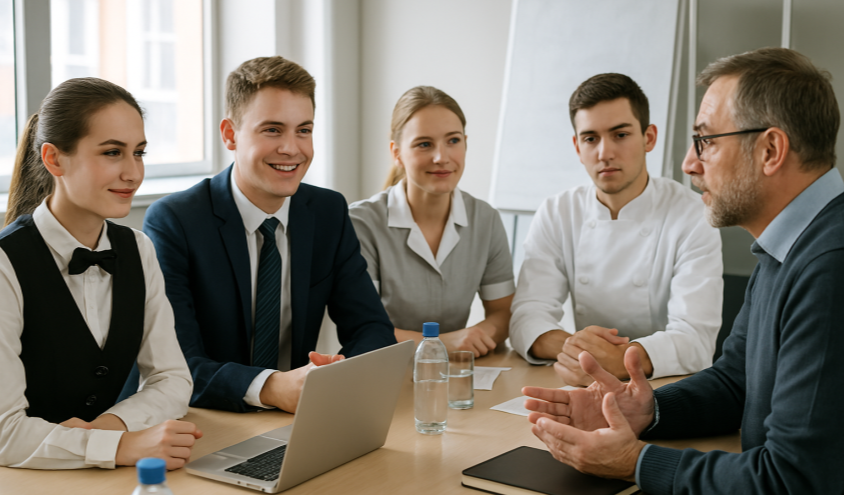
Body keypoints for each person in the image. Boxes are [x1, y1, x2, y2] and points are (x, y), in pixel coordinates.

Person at [523, 47, 843, 494]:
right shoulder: (786, 246)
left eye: (706, 141)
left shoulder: (829, 266)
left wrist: (635, 463)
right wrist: (645, 410)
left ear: (770, 150)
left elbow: (792, 481)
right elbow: (736, 382)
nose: (689, 164)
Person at [142, 56, 396, 414]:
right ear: (230, 134)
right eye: (273, 130)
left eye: (303, 130)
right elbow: (177, 365)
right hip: (207, 417)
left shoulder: (327, 212)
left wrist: (338, 376)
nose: (292, 148)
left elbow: (372, 328)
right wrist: (273, 386)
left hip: (296, 417)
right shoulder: (175, 221)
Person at [0, 78, 200, 470]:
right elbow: (5, 433)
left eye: (138, 153)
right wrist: (121, 447)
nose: (132, 173)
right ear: (54, 159)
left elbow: (174, 379)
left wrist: (110, 428)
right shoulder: (5, 263)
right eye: (112, 153)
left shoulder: (139, 249)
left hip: (102, 479)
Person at [509, 73, 723, 385]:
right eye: (590, 138)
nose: (604, 153)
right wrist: (580, 352)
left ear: (649, 137)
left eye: (620, 135)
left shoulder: (691, 215)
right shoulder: (557, 212)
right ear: (577, 147)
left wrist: (617, 360)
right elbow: (528, 316)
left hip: (666, 386)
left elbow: (695, 340)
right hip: (584, 380)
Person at [349, 86, 514, 357]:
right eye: (424, 144)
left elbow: (503, 312)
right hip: (381, 371)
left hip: (460, 372)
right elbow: (362, 327)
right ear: (397, 153)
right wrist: (443, 344)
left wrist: (478, 336)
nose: (442, 157)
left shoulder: (485, 219)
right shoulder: (361, 223)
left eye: (453, 141)